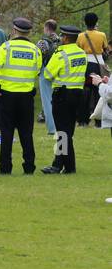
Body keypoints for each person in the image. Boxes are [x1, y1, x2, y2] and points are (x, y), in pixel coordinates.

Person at [0, 17, 42, 175]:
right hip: (26, 97)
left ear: (14, 30)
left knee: (6, 132)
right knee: (26, 133)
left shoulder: (6, 48)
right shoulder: (34, 50)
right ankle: (29, 166)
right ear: (29, 32)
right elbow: (37, 71)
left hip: (7, 96)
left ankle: (5, 168)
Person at [42, 24, 87, 174]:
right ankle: (59, 163)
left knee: (62, 132)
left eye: (62, 36)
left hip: (62, 95)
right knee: (67, 130)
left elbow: (48, 74)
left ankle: (67, 166)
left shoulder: (60, 54)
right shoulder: (81, 53)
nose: (60, 38)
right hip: (77, 94)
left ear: (66, 38)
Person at [77, 12, 107, 120]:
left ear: (85, 23)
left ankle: (82, 120)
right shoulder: (102, 35)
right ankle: (99, 120)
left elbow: (78, 48)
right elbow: (105, 49)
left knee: (84, 91)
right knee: (98, 91)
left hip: (85, 65)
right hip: (98, 65)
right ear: (96, 22)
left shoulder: (80, 36)